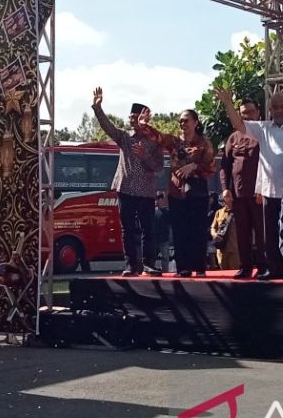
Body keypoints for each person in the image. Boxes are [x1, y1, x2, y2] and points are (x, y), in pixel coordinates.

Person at [217, 88, 283, 281]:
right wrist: (228, 103)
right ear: (269, 110)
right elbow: (239, 125)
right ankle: (276, 268)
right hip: (270, 189)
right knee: (271, 233)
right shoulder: (264, 128)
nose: (279, 111)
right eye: (275, 107)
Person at [91, 87, 168, 276]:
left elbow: (158, 167)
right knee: (127, 229)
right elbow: (107, 127)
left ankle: (149, 264)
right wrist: (98, 108)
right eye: (131, 117)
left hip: (146, 192)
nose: (132, 121)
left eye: (136, 117)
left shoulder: (155, 140)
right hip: (125, 189)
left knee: (148, 229)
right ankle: (131, 266)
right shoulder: (124, 137)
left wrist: (144, 156)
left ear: (145, 118)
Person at [167, 109, 216, 278]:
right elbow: (157, 136)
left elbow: (211, 167)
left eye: (186, 120)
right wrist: (144, 124)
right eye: (180, 120)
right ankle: (183, 267)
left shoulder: (204, 143)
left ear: (195, 123)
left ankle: (200, 267)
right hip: (176, 192)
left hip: (198, 192)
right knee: (179, 230)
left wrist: (194, 166)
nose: (183, 123)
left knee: (198, 229)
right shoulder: (174, 142)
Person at [219, 99, 262, 279]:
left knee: (262, 233)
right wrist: (225, 189)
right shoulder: (233, 138)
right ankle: (245, 267)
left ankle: (264, 267)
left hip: (259, 193)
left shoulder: (264, 133)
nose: (248, 116)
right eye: (244, 113)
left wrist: (263, 188)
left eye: (251, 112)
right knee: (242, 233)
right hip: (238, 194)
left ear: (258, 112)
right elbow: (225, 166)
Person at [210, 194, 240, 270]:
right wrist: (214, 234)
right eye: (225, 197)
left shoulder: (239, 212)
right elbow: (213, 228)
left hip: (235, 250)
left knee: (235, 271)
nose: (227, 199)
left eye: (228, 196)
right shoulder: (219, 212)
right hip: (222, 250)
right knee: (224, 272)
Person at [153, 195, 173, 273]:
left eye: (159, 200)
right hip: (154, 238)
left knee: (165, 257)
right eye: (157, 200)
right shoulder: (152, 211)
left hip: (164, 238)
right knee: (152, 257)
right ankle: (152, 270)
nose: (158, 201)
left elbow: (171, 224)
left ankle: (165, 271)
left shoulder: (167, 212)